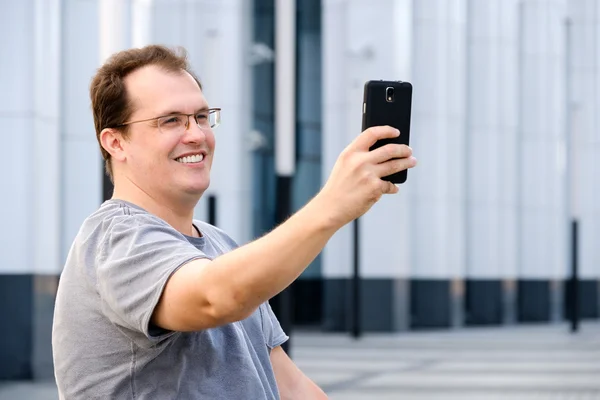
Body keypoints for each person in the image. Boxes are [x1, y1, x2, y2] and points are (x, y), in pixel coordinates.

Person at [51, 44, 417, 399]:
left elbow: (289, 388)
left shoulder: (219, 245)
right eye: (171, 121)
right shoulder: (115, 238)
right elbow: (216, 299)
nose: (196, 134)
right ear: (116, 143)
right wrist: (332, 205)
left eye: (200, 116)